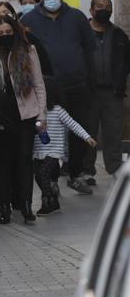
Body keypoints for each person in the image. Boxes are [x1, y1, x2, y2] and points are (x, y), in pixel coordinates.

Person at [23, 0, 95, 194]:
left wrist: (89, 80)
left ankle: (75, 174)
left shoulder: (77, 17)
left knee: (78, 132)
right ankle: (51, 178)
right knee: (49, 135)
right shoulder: (29, 19)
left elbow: (89, 49)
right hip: (49, 90)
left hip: (77, 85)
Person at [0, 15, 46, 224]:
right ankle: (4, 206)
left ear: (15, 32)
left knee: (24, 160)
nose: (5, 37)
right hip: (1, 113)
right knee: (3, 162)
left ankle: (27, 205)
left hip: (25, 112)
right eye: (0, 34)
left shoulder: (28, 51)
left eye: (8, 33)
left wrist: (42, 114)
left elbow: (38, 84)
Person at [33, 77, 96, 216]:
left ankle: (47, 202)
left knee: (43, 173)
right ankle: (54, 201)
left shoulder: (58, 111)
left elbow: (73, 124)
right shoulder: (34, 111)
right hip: (38, 152)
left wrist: (87, 137)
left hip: (54, 152)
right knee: (38, 176)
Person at [86, 0, 130, 180]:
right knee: (87, 131)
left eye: (107, 7)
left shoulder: (119, 34)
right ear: (91, 10)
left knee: (113, 131)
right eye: (99, 6)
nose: (103, 10)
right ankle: (86, 170)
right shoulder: (83, 32)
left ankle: (114, 167)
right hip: (89, 92)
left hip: (113, 92)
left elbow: (126, 62)